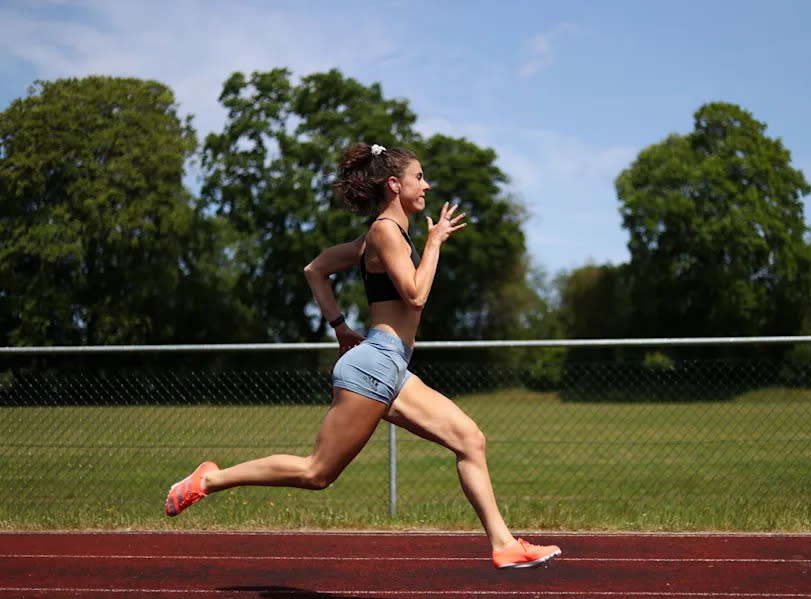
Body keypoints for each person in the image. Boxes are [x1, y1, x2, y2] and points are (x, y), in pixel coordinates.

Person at [165, 142, 561, 570]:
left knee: (470, 440)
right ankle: (208, 479)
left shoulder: (379, 236)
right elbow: (415, 294)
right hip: (373, 365)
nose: (426, 185)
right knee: (317, 473)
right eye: (418, 177)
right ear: (395, 184)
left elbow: (314, 269)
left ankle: (502, 543)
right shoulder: (384, 232)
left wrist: (339, 327)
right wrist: (434, 243)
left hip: (391, 366)